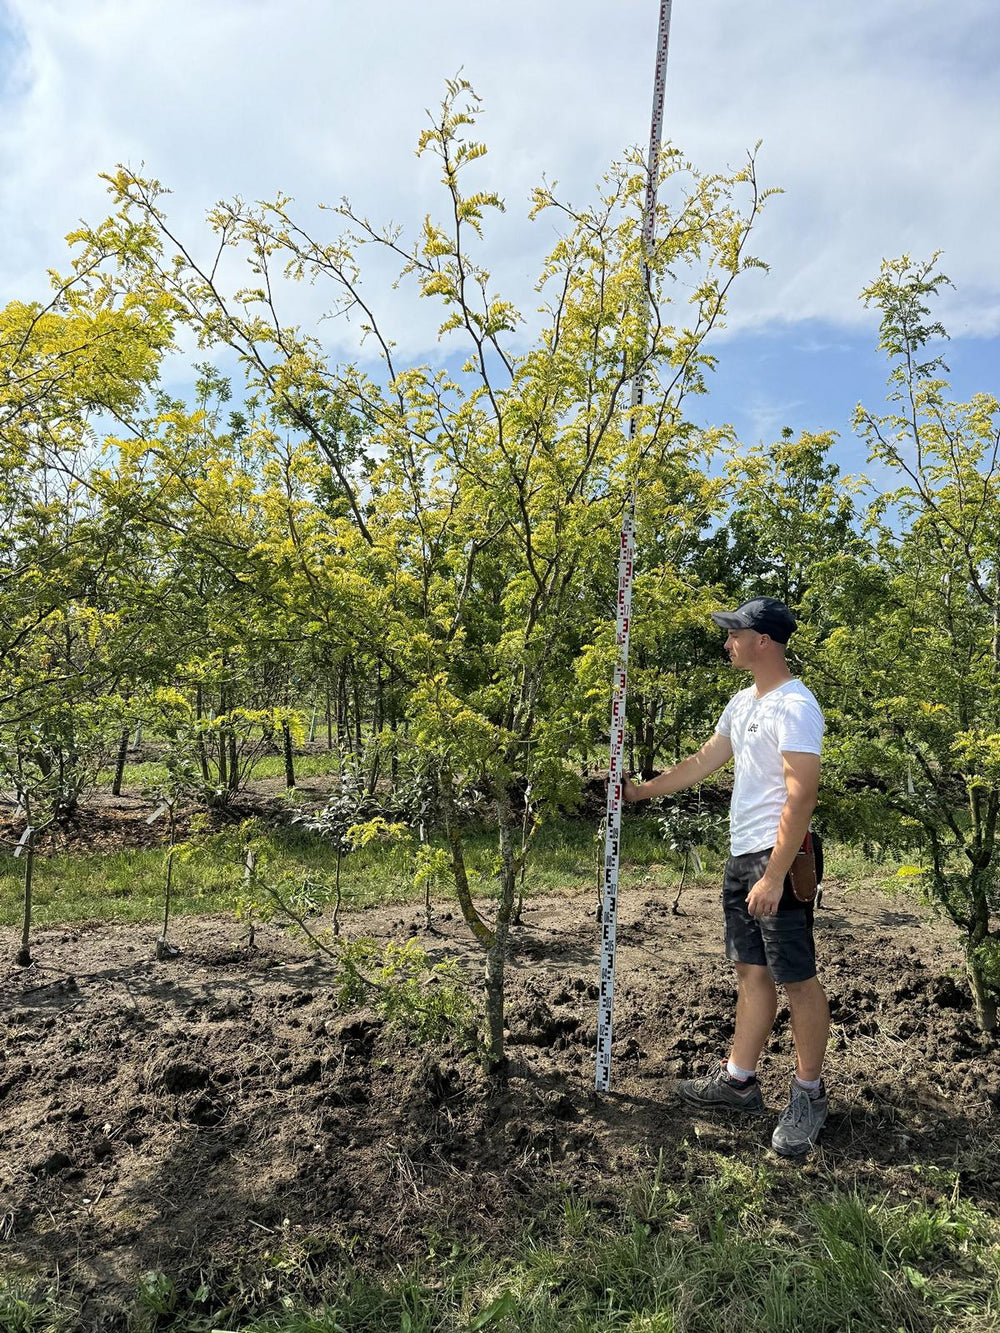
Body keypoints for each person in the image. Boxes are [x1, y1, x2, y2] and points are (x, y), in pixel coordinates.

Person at [623, 596, 829, 1157]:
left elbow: (801, 794)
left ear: (763, 640)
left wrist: (775, 874)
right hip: (743, 858)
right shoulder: (743, 703)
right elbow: (702, 761)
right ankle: (739, 1083)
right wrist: (641, 790)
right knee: (752, 974)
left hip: (777, 859)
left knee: (796, 978)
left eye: (736, 633)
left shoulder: (796, 705)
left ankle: (809, 1094)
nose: (727, 641)